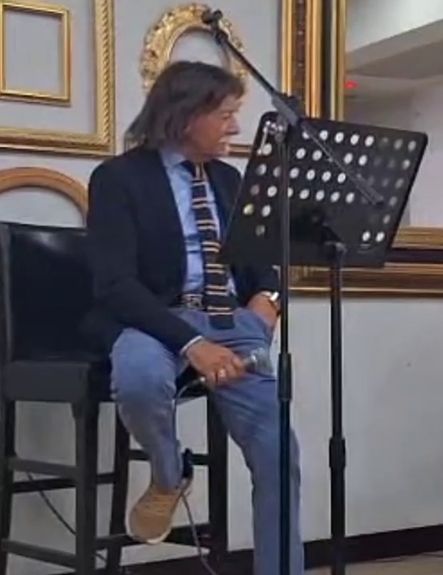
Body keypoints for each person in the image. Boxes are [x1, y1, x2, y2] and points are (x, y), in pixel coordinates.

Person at [83, 61, 303, 575]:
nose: (235, 127)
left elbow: (264, 265)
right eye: (225, 115)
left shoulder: (229, 180)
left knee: (278, 453)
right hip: (156, 322)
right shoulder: (118, 178)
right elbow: (115, 284)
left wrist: (268, 303)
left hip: (231, 323)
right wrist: (191, 344)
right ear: (185, 116)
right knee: (139, 378)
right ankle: (169, 473)